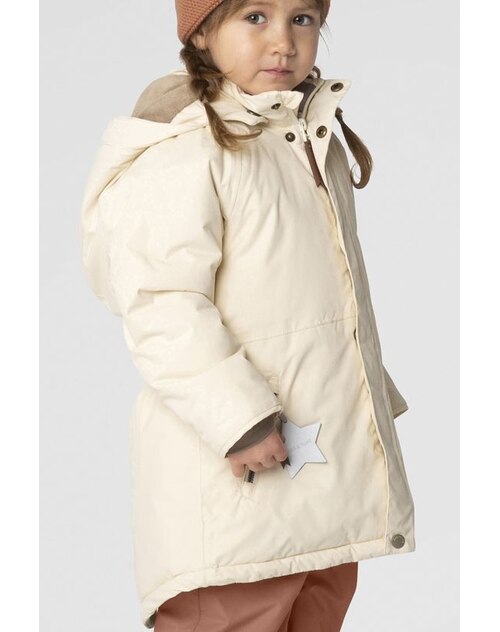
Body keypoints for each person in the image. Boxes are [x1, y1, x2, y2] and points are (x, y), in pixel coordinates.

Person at [80, 0, 416, 629]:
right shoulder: (188, 147)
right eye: (255, 17)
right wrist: (239, 419)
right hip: (234, 486)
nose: (283, 41)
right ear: (202, 32)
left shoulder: (303, 138)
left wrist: (368, 396)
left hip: (323, 477)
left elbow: (320, 301)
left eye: (302, 18)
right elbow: (161, 303)